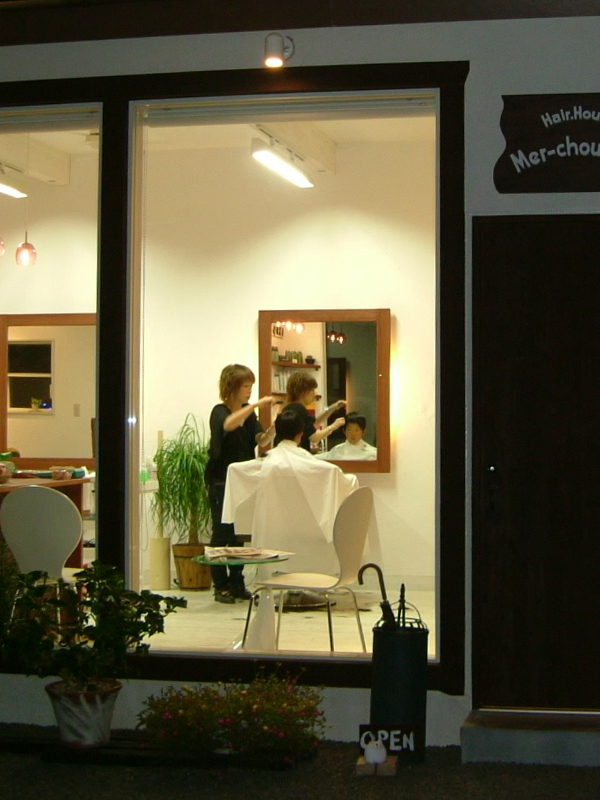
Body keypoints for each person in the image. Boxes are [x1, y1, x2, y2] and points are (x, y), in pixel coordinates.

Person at [222, 407, 360, 575]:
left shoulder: (268, 462)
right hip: (309, 532)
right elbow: (334, 475)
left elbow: (235, 469)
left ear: (277, 432)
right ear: (300, 434)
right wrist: (352, 480)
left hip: (274, 531)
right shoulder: (311, 464)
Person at [205, 364, 276, 603]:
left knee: (239, 534)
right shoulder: (219, 411)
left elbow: (261, 440)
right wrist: (255, 406)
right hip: (220, 480)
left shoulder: (249, 414)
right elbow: (229, 424)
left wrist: (272, 430)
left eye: (250, 386)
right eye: (246, 386)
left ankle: (237, 582)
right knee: (221, 532)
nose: (249, 391)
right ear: (232, 387)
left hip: (243, 481)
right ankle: (220, 585)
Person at [275, 371, 346, 453]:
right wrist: (335, 425)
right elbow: (314, 438)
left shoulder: (290, 408)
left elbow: (314, 423)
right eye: (312, 390)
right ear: (303, 391)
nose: (314, 394)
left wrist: (333, 408)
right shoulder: (299, 409)